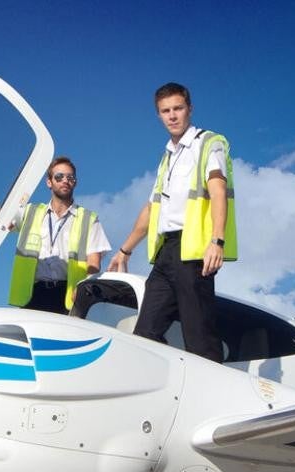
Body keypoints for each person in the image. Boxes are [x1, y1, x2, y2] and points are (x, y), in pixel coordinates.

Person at [107, 82, 237, 362]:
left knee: (199, 337)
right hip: (166, 253)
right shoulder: (167, 157)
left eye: (178, 108)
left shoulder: (208, 143)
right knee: (145, 333)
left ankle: (212, 397)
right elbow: (152, 208)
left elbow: (218, 190)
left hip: (194, 252)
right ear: (159, 115)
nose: (172, 116)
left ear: (189, 109)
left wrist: (217, 239)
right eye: (166, 111)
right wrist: (125, 249)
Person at [8, 156, 111, 314]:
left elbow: (94, 263)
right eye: (59, 177)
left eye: (70, 177)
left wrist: (85, 290)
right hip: (32, 295)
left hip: (69, 298)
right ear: (49, 182)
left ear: (75, 182)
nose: (65, 180)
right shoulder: (30, 212)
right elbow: (0, 219)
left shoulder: (89, 219)